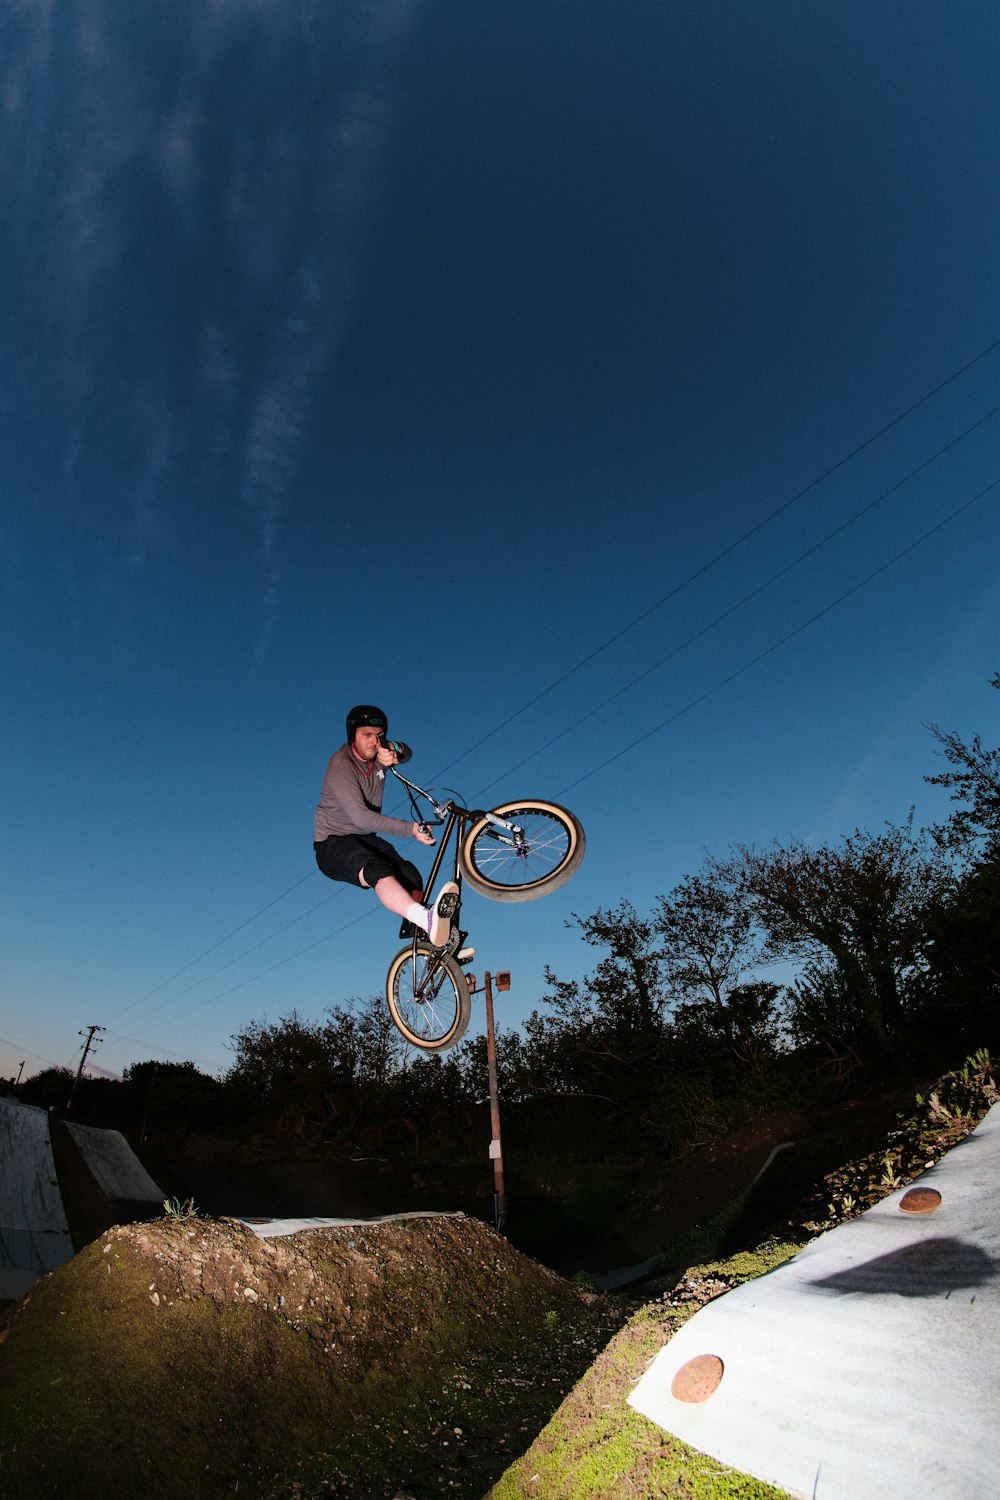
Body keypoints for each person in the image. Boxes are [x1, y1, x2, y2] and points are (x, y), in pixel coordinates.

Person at [313, 705, 459, 945]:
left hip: (364, 837)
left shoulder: (380, 752)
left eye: (378, 735)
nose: (373, 741)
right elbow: (361, 818)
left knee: (410, 876)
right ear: (353, 735)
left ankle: (423, 936)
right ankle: (427, 919)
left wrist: (394, 749)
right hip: (332, 842)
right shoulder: (342, 765)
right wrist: (410, 829)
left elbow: (408, 751)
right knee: (378, 869)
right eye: (366, 735)